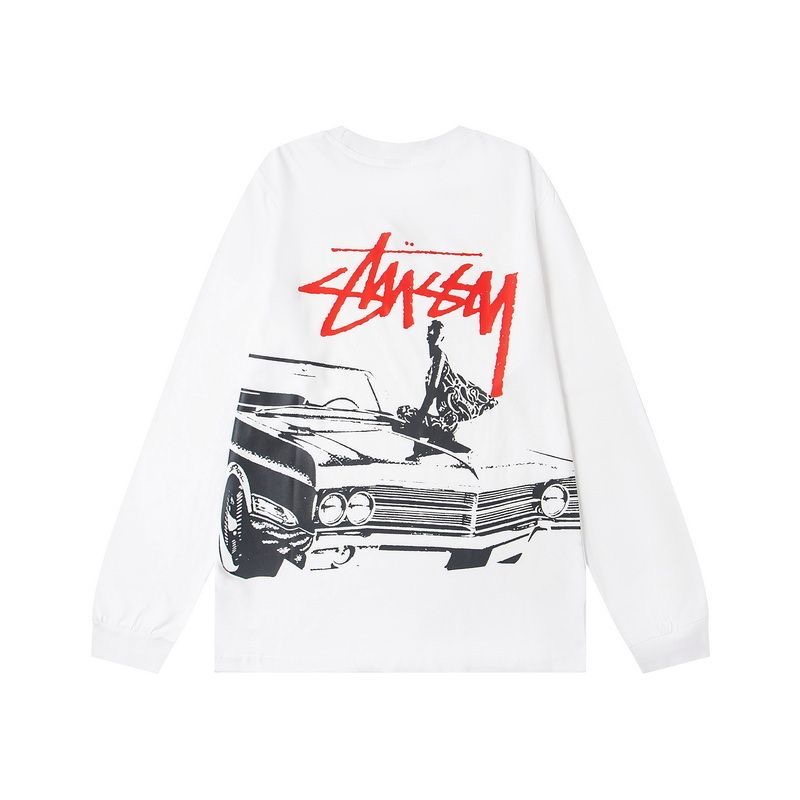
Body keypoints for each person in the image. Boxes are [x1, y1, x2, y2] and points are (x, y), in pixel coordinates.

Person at [397, 320, 498, 458]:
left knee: (410, 416)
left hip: (448, 419)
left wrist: (420, 417)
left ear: (441, 338)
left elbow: (431, 392)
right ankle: (424, 447)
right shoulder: (435, 359)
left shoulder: (439, 359)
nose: (430, 336)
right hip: (444, 416)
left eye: (435, 334)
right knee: (405, 413)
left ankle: (428, 447)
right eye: (430, 333)